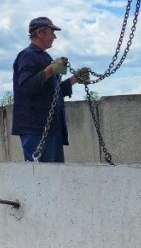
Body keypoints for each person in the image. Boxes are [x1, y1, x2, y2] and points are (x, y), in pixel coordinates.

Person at [11, 16, 90, 163]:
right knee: (41, 176)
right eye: (51, 32)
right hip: (35, 127)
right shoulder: (27, 56)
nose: (54, 37)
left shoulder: (45, 56)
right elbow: (27, 86)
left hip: (50, 127)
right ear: (40, 33)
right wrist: (50, 70)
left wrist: (75, 79)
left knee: (55, 176)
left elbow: (53, 93)